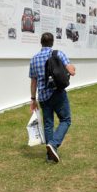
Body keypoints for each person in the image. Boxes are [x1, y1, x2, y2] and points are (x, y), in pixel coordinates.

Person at [29, 32, 76, 163]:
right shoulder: (58, 54)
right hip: (57, 93)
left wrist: (33, 99)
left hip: (43, 96)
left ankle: (50, 156)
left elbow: (33, 81)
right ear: (52, 42)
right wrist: (71, 69)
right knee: (66, 120)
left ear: (41, 42)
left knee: (48, 124)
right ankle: (53, 144)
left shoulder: (34, 58)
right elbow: (71, 71)